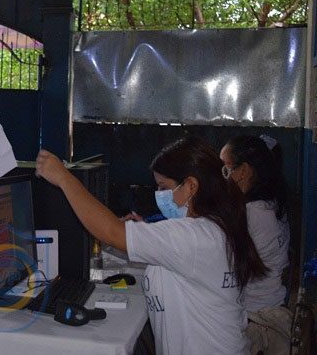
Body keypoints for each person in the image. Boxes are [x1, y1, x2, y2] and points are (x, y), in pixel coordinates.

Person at [35, 137, 267, 355]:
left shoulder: (193, 236)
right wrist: (147, 235)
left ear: (191, 186)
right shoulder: (214, 228)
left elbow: (111, 232)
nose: (159, 195)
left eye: (164, 187)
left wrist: (64, 179)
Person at [220, 135, 291, 353]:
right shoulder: (270, 202)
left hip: (257, 315)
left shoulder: (252, 214)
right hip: (272, 299)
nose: (222, 176)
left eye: (225, 169)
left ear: (243, 171)